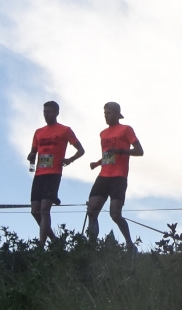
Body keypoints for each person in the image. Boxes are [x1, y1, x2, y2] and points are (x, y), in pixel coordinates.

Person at [84, 101, 143, 248]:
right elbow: (107, 155)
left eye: (109, 113)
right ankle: (91, 246)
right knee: (92, 211)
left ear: (117, 114)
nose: (106, 115)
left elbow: (139, 151)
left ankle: (130, 244)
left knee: (115, 214)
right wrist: (97, 163)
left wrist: (121, 151)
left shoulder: (126, 129)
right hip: (103, 175)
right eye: (104, 113)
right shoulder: (103, 133)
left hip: (119, 176)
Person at [26, 101, 85, 244]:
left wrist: (69, 159)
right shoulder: (39, 132)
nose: (46, 115)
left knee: (44, 209)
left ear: (57, 113)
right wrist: (31, 156)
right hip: (39, 174)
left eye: (49, 112)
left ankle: (41, 245)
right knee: (35, 211)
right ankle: (53, 239)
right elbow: (33, 152)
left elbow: (81, 150)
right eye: (44, 112)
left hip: (54, 173)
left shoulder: (65, 130)